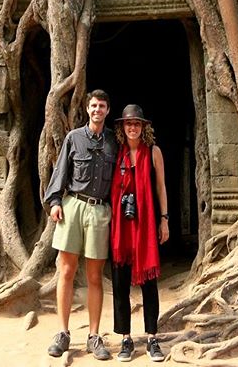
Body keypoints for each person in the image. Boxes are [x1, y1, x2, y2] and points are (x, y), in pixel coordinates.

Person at [44, 89, 118, 360]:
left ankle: (94, 336)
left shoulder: (113, 141)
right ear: (88, 109)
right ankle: (62, 333)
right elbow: (61, 170)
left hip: (100, 210)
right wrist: (54, 202)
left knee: (95, 275)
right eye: (94, 105)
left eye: (102, 106)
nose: (98, 110)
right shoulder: (74, 138)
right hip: (72, 206)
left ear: (108, 111)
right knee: (66, 270)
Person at [110, 104, 169, 363]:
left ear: (143, 126)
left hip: (145, 225)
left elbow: (161, 188)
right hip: (121, 227)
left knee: (149, 283)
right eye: (128, 123)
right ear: (123, 127)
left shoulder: (153, 152)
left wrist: (164, 220)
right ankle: (125, 338)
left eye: (137, 123)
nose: (132, 127)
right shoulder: (116, 153)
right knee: (120, 283)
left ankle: (152, 337)